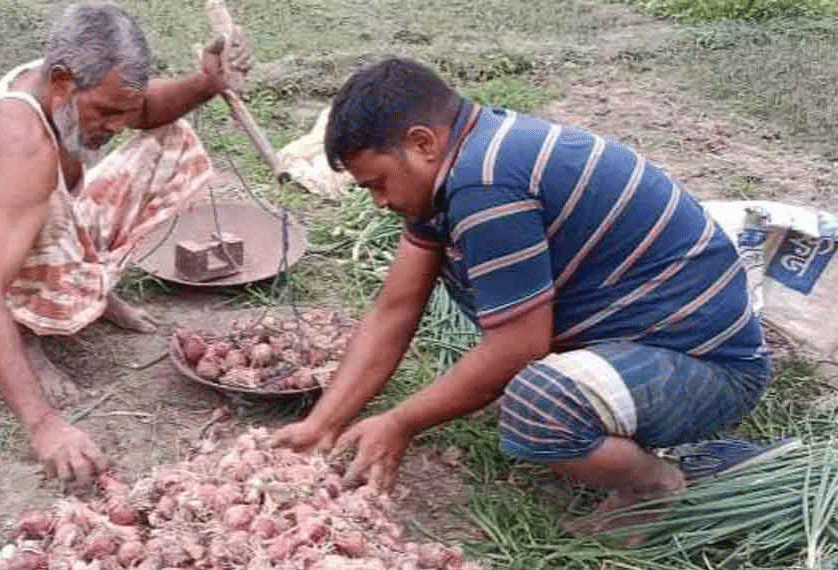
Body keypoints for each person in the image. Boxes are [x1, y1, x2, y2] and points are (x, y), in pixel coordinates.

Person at [271, 57, 796, 535]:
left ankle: (656, 485)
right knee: (519, 389)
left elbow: (516, 347)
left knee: (537, 404)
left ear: (423, 142)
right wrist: (322, 424)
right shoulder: (461, 163)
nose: (380, 201)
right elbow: (395, 308)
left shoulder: (488, 184)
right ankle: (659, 441)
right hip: (643, 341)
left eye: (378, 183)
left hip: (708, 364)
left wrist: (400, 422)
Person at [0, 1, 251, 485]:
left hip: (41, 231)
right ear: (62, 81)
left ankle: (92, 291)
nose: (119, 125)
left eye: (123, 111)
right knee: (48, 201)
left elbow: (144, 110)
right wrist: (44, 426)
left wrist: (208, 82)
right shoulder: (21, 143)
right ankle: (28, 337)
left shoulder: (52, 84)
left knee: (168, 138)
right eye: (108, 112)